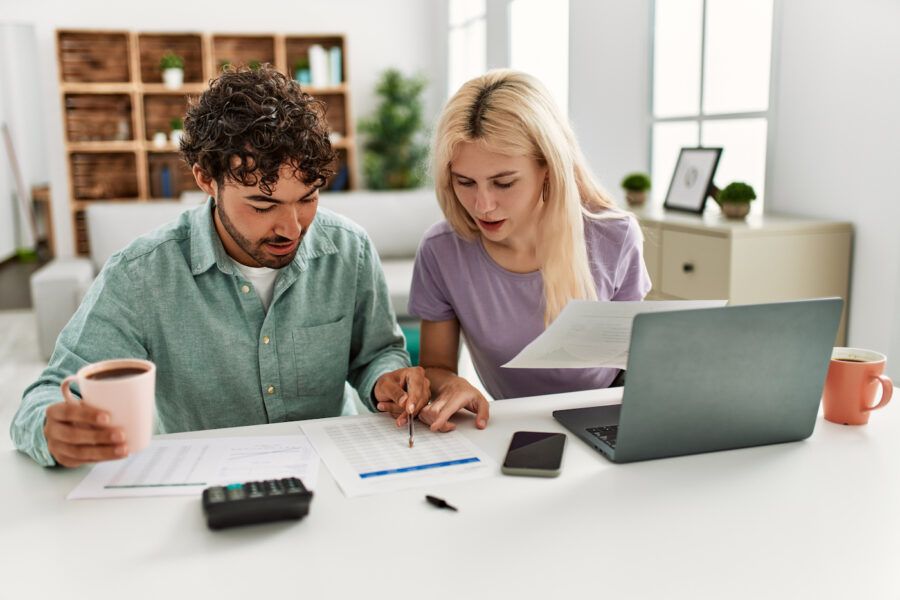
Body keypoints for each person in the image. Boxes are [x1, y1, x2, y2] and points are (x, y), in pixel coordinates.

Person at [11, 65, 428, 468]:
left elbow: (376, 354)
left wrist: (385, 381)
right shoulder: (141, 275)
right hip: (201, 488)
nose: (292, 227)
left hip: (332, 474)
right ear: (206, 180)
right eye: (263, 205)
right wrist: (52, 429)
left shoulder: (349, 250)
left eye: (308, 198)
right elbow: (43, 397)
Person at [381, 69, 650, 432]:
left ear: (548, 168)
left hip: (608, 414)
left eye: (503, 183)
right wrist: (453, 384)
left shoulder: (614, 238)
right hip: (508, 424)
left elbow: (637, 362)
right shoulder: (441, 251)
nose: (483, 205)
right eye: (465, 182)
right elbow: (436, 368)